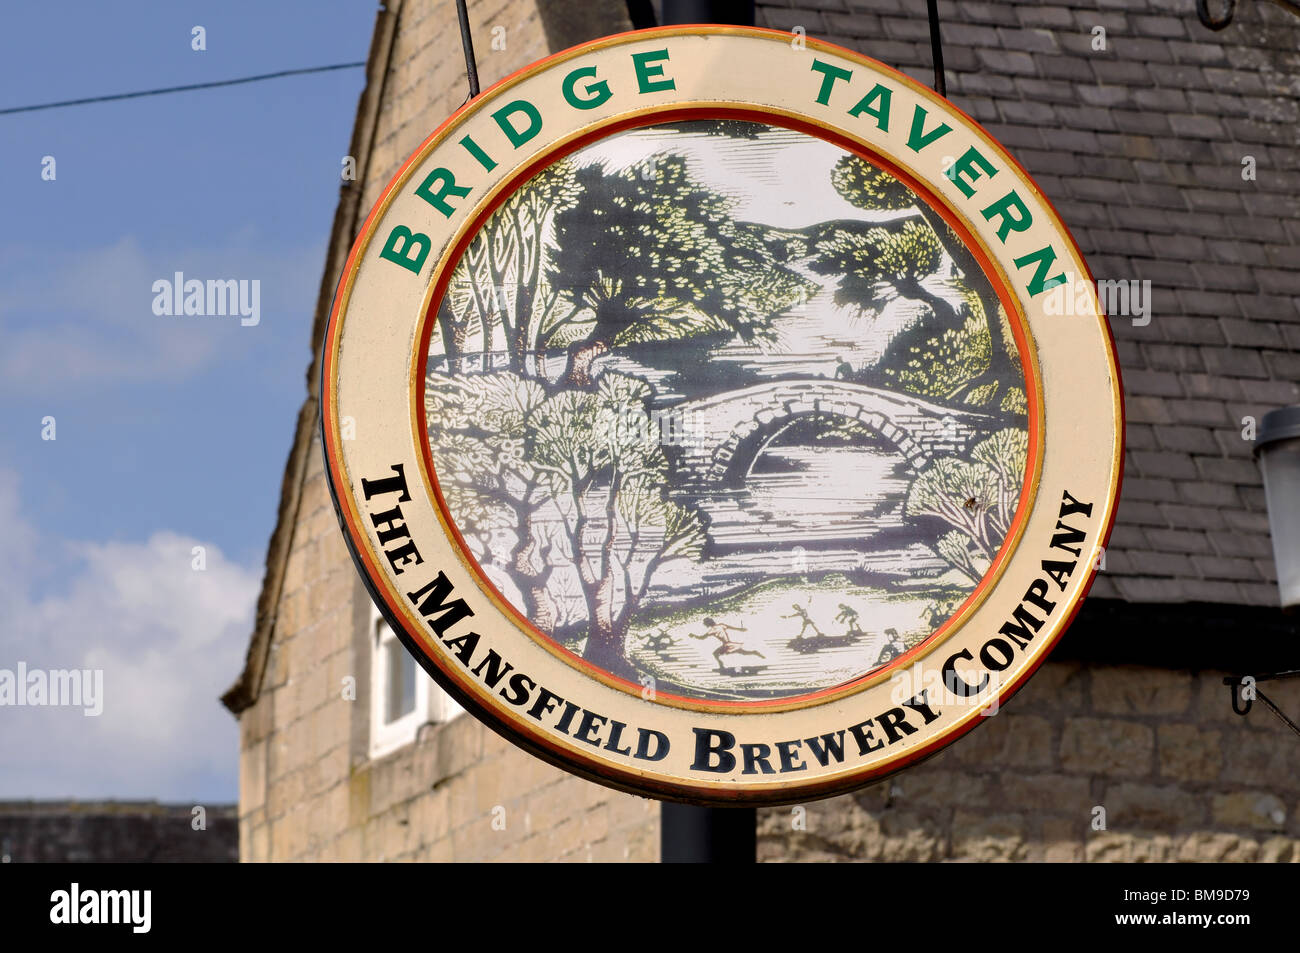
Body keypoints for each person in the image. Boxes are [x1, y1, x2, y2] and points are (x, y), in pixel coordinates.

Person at [689, 617, 764, 673]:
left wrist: (693, 636)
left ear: (708, 624)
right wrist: (741, 629)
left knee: (715, 654)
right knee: (742, 652)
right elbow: (733, 628)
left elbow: (702, 638)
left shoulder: (712, 630)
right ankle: (754, 652)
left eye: (705, 623)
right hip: (728, 643)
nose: (705, 625)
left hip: (727, 645)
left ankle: (721, 666)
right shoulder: (721, 625)